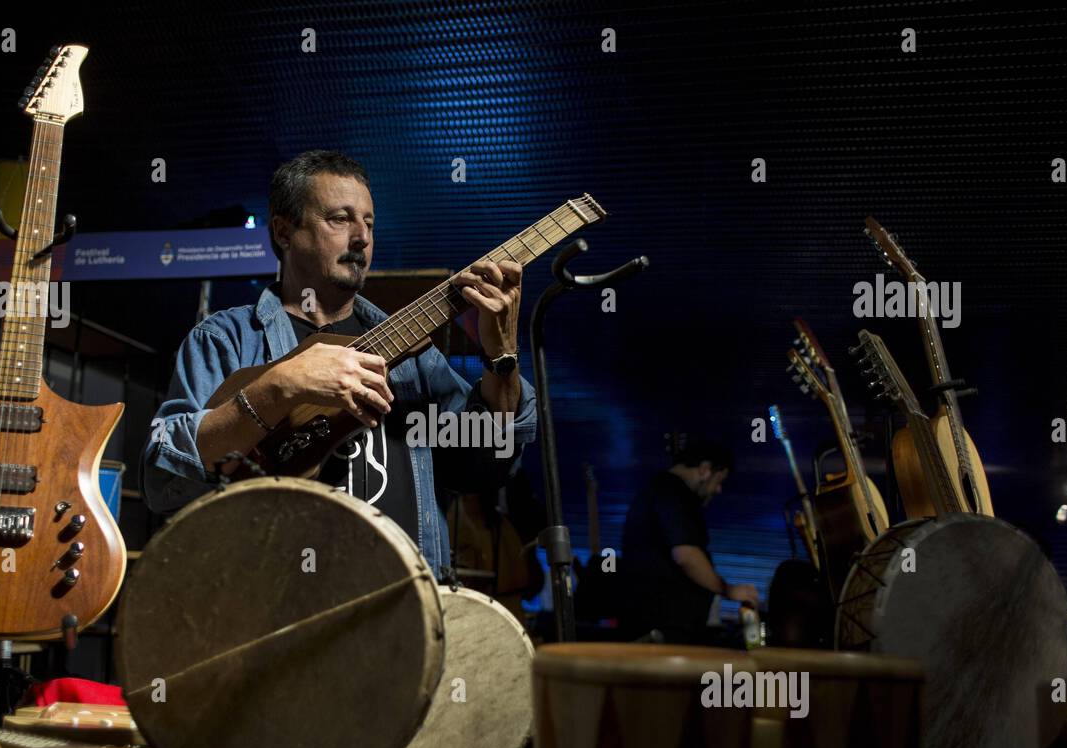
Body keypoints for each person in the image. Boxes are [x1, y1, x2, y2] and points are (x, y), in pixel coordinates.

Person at [141, 150, 537, 577]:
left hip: (405, 606)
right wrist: (280, 385)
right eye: (340, 219)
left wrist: (502, 357)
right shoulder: (225, 339)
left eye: (368, 222)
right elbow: (165, 478)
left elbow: (483, 460)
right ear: (284, 231)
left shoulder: (415, 357)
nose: (362, 237)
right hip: (277, 607)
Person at [620, 437, 759, 644]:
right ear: (704, 469)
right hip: (665, 629)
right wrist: (727, 590)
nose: (718, 490)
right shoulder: (674, 494)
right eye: (719, 480)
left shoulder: (658, 491)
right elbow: (687, 557)